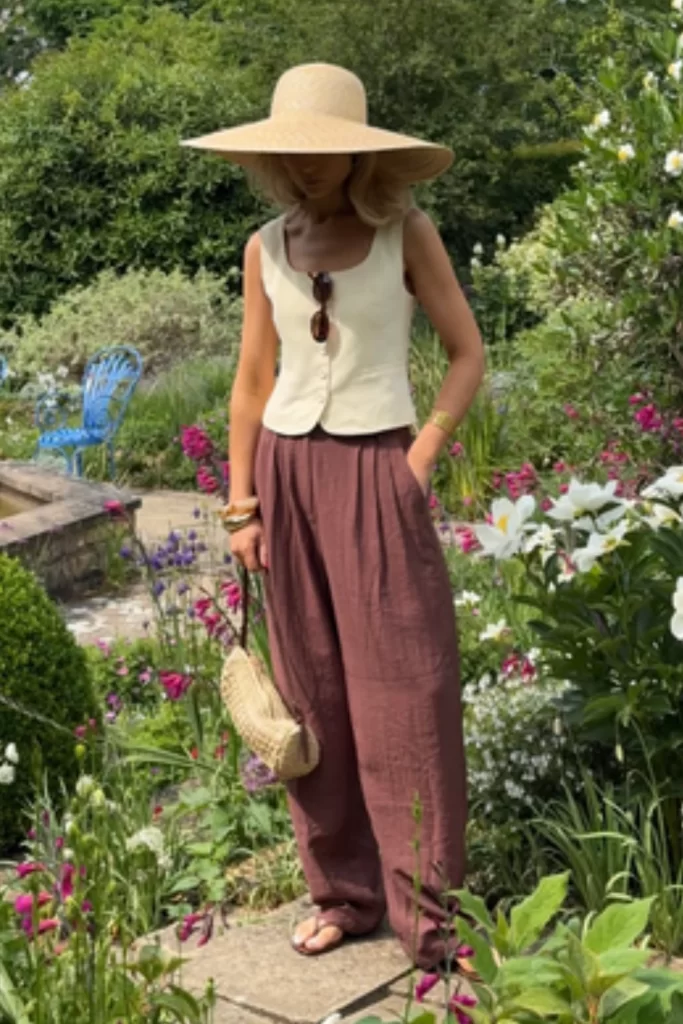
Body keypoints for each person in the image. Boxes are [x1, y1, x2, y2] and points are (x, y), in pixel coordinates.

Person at [183, 62, 485, 969]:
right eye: (291, 153)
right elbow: (249, 383)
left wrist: (417, 463)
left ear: (359, 153)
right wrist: (240, 504)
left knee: (408, 692)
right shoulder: (264, 246)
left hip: (375, 470)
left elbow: (467, 353)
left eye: (324, 152)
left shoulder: (406, 233)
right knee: (309, 695)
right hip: (283, 476)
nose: (306, 168)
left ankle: (432, 921)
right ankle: (343, 894)